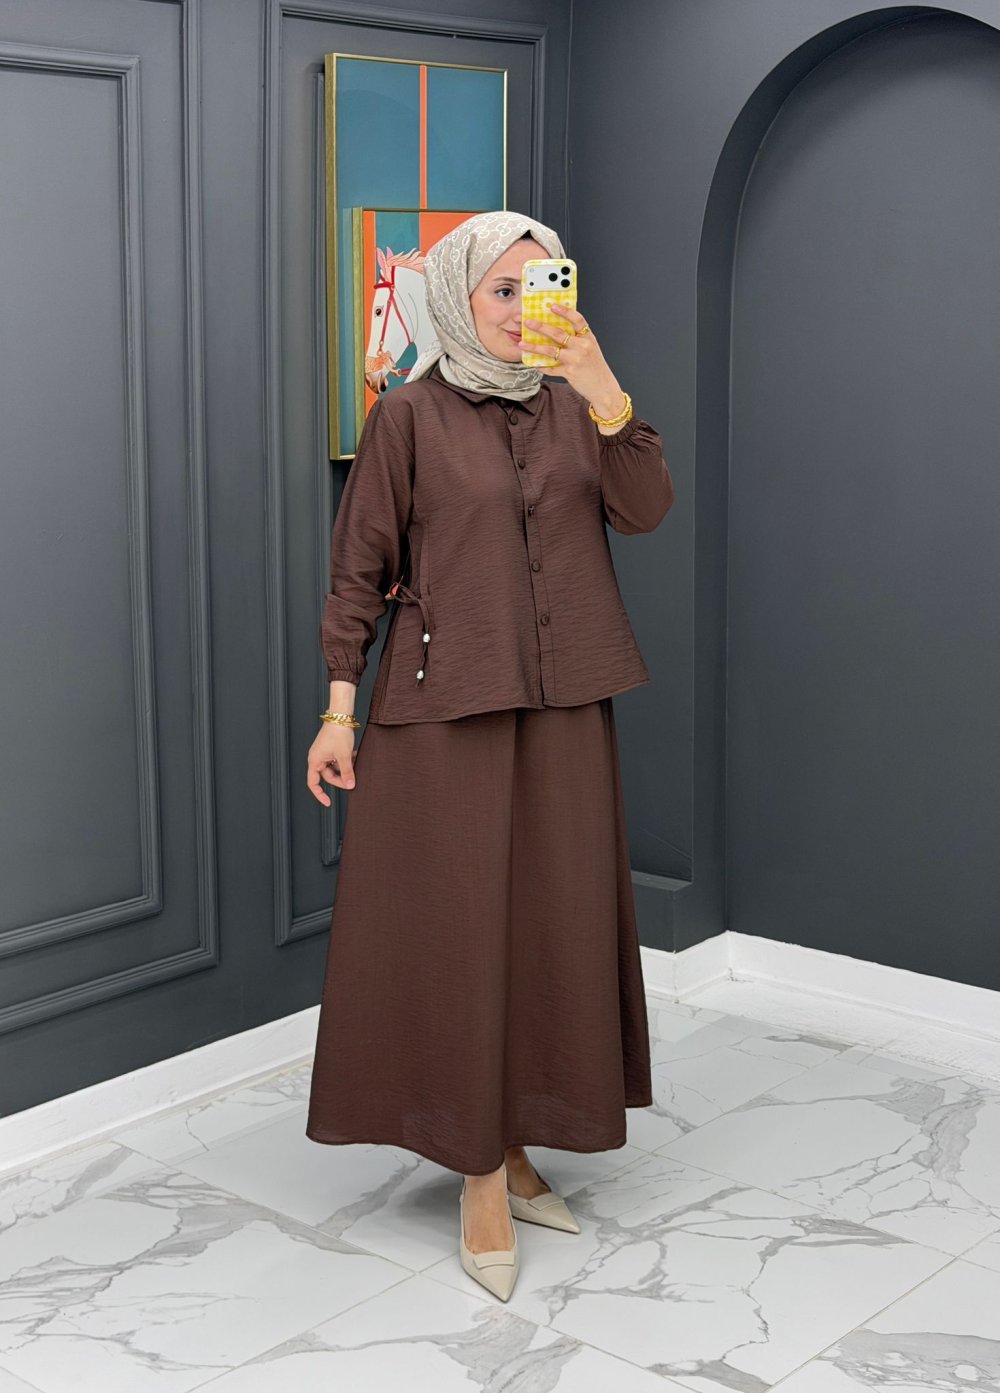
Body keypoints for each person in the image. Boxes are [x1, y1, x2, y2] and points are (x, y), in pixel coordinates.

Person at [304, 210, 675, 1302]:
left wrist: (605, 387)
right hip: (444, 704)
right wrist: (338, 711)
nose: (523, 311)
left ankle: (514, 1143)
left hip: (564, 702)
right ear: (458, 298)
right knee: (460, 932)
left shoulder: (576, 407)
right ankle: (475, 1167)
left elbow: (645, 510)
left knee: (549, 924)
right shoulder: (408, 415)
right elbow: (358, 568)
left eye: (541, 287)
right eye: (501, 291)